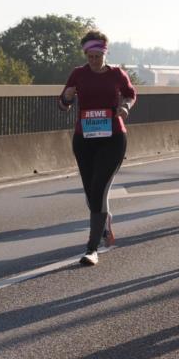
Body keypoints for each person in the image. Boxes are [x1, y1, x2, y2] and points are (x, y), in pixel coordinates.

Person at [59, 31, 137, 265]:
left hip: (113, 138)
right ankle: (104, 221)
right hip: (84, 140)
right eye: (89, 56)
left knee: (100, 189)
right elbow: (63, 104)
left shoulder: (116, 74)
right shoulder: (78, 74)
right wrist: (67, 96)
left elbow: (131, 94)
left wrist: (125, 107)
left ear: (105, 53)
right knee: (91, 194)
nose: (93, 61)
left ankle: (91, 250)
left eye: (97, 56)